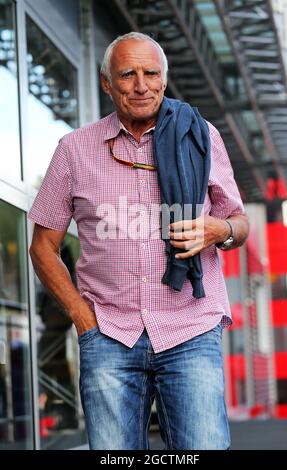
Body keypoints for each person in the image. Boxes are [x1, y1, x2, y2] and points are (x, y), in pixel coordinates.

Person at [28, 32, 249, 450]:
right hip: (109, 334)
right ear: (107, 83)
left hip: (190, 326)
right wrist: (82, 316)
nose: (141, 85)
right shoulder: (74, 150)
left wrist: (219, 230)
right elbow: (43, 247)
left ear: (164, 79)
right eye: (128, 74)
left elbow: (239, 221)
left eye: (151, 73)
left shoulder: (201, 136)